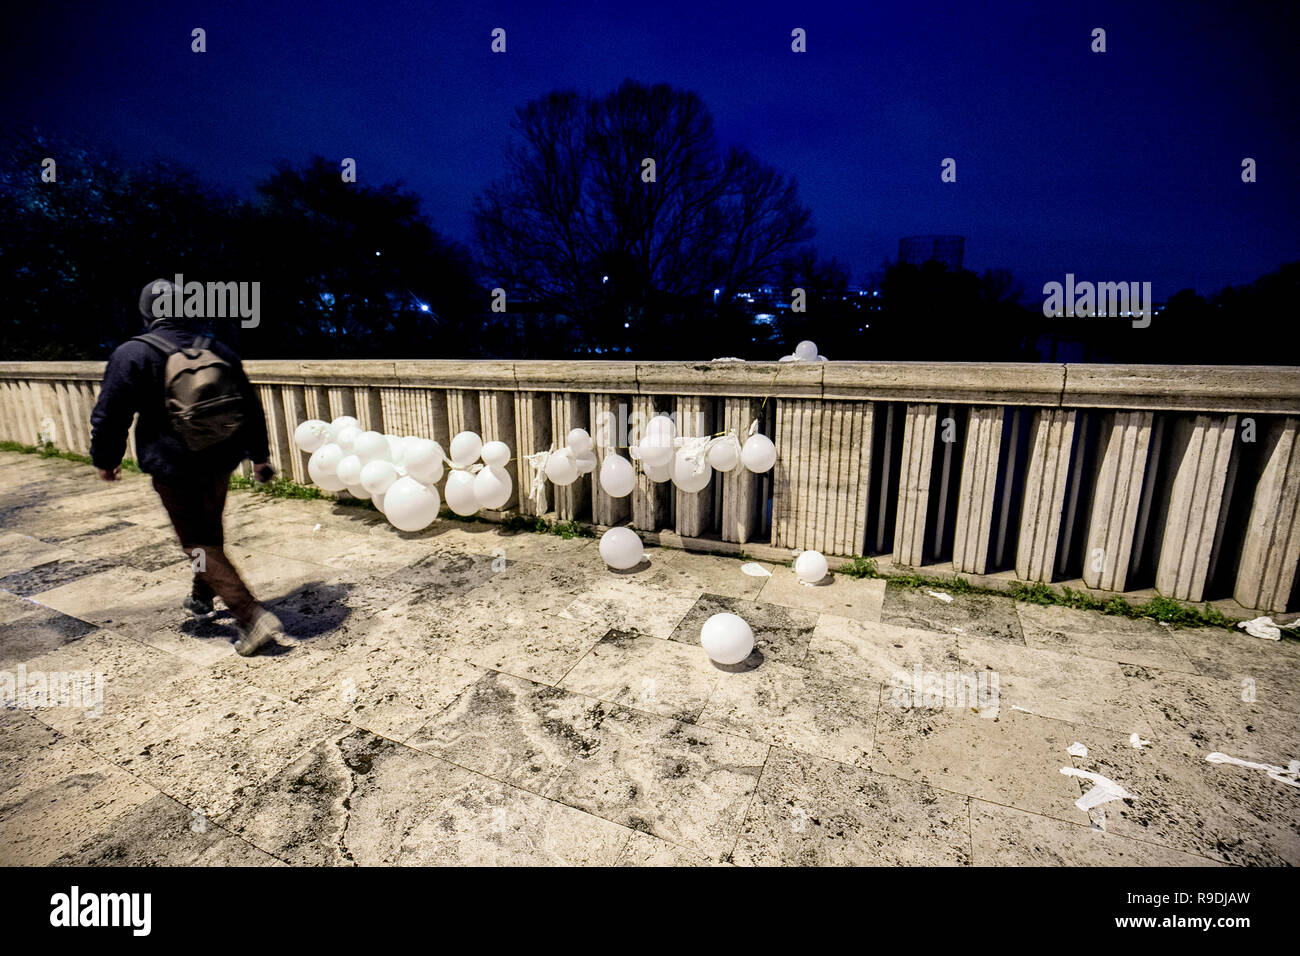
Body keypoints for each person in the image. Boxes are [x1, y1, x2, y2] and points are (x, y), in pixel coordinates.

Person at [90, 278, 283, 656]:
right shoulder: (217, 348)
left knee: (196, 542)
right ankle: (201, 595)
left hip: (173, 465)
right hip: (221, 458)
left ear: (148, 312)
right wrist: (259, 457)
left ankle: (249, 614)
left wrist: (106, 460)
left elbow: (110, 416)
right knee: (209, 529)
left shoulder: (133, 354)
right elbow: (251, 408)